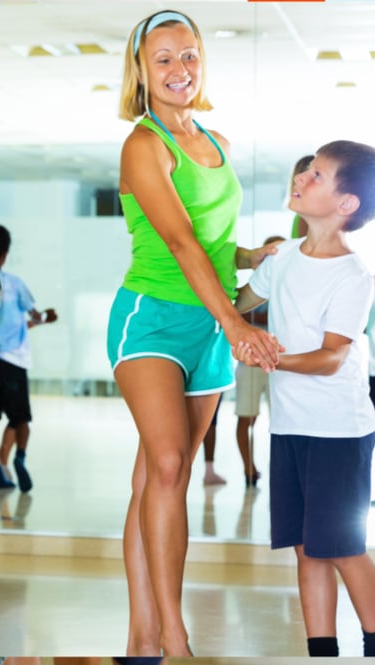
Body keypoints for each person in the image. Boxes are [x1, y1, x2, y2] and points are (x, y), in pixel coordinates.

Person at [106, 10, 281, 656]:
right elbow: (179, 243)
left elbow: (212, 241)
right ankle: (174, 633)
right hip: (151, 318)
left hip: (208, 327)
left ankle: (141, 634)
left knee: (157, 479)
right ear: (141, 71)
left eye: (189, 55)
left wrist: (252, 256)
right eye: (164, 59)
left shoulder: (218, 142)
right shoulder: (144, 144)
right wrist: (237, 322)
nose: (180, 69)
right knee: (170, 463)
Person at [236, 140, 375, 657]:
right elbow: (237, 306)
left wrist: (267, 356)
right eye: (306, 170)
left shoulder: (354, 275)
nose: (302, 177)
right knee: (305, 548)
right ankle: (322, 653)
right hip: (289, 427)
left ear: (346, 204)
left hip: (338, 432)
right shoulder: (282, 259)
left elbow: (331, 357)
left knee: (342, 548)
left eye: (317, 175)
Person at [0, 223, 57, 493]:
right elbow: (35, 316)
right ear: (5, 254)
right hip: (14, 361)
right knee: (20, 419)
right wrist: (46, 316)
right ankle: (16, 457)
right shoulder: (13, 283)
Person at [234, 234, 286, 488]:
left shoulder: (289, 286)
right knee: (247, 417)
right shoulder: (255, 285)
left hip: (280, 362)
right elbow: (238, 316)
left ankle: (280, 470)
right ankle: (248, 469)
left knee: (281, 420)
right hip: (251, 363)